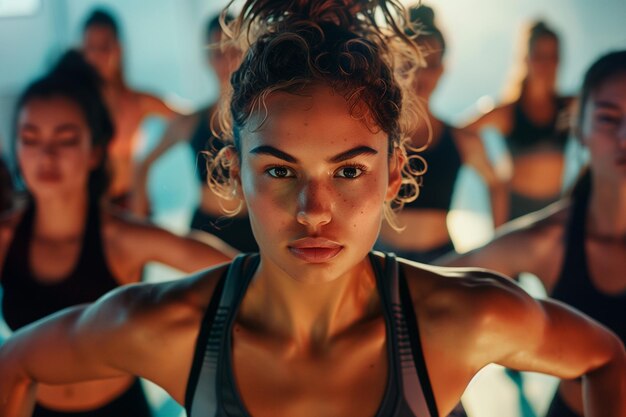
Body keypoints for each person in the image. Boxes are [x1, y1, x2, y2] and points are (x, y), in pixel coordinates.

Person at [1, 3, 624, 417]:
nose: (314, 211)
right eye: (279, 170)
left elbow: (603, 358)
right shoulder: (174, 329)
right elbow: (17, 362)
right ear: (237, 178)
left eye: (349, 171)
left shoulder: (456, 320)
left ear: (394, 175)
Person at [0, 50, 233, 417]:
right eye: (30, 138)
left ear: (94, 151)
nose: (46, 156)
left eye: (65, 139)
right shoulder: (6, 238)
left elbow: (236, 271)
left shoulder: (120, 237)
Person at [439, 50, 626, 417]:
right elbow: (430, 283)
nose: (625, 137)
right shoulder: (547, 240)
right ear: (580, 131)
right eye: (609, 118)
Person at [376, 4, 507, 262]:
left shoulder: (461, 139)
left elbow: (497, 184)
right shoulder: (375, 133)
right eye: (410, 62)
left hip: (441, 261)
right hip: (380, 260)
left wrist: (496, 249)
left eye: (430, 63)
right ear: (393, 62)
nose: (420, 74)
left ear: (443, 69)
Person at [132, 14, 258, 252]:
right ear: (207, 60)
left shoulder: (264, 119)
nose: (226, 60)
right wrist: (140, 219)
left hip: (253, 231)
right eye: (217, 53)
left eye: (232, 49)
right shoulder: (192, 121)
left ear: (245, 51)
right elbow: (143, 164)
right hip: (206, 234)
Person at [464, 21, 573, 220]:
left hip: (556, 213)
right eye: (539, 56)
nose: (546, 64)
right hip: (515, 214)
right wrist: (493, 177)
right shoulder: (508, 111)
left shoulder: (569, 106)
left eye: (553, 57)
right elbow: (459, 132)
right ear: (525, 58)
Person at [82, 8, 179, 207]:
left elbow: (189, 118)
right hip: (92, 206)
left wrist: (150, 160)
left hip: (132, 203)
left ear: (118, 48)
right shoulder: (75, 106)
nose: (97, 56)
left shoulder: (137, 101)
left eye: (104, 46)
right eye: (91, 47)